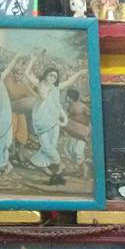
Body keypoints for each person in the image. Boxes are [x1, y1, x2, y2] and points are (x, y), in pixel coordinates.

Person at [25, 53, 88, 183]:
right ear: (45, 75)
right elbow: (26, 73)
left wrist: (79, 73)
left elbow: (67, 85)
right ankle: (59, 163)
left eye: (55, 76)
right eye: (51, 75)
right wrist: (32, 59)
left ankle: (42, 165)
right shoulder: (38, 83)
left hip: (54, 120)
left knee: (51, 145)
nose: (53, 78)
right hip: (41, 120)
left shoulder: (56, 88)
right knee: (46, 146)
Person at [62, 89, 92, 171]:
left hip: (84, 130)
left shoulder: (82, 106)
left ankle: (84, 168)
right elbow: (68, 117)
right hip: (75, 130)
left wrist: (88, 130)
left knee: (78, 150)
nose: (66, 97)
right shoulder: (69, 106)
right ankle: (80, 167)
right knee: (68, 148)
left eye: (67, 96)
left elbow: (91, 115)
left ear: (70, 98)